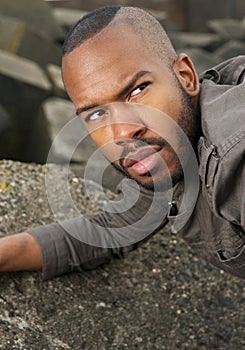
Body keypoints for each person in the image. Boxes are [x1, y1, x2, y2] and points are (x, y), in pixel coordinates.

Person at [0, 6, 244, 279]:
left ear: (185, 76)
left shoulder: (235, 157)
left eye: (137, 91)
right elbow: (111, 228)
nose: (124, 133)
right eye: (97, 114)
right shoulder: (172, 148)